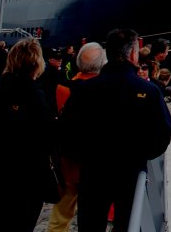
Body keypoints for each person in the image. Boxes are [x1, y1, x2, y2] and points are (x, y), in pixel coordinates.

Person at [60, 28, 171, 232]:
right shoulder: (149, 91)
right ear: (132, 54)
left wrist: (84, 156)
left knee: (90, 225)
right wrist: (141, 155)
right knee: (128, 223)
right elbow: (163, 133)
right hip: (131, 172)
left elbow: (66, 132)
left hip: (93, 172)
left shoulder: (84, 90)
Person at [0, 38, 56, 231]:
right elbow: (46, 138)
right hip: (29, 175)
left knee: (0, 223)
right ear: (37, 63)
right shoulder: (37, 94)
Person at [47, 42, 106, 232]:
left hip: (67, 160)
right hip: (95, 163)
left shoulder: (62, 88)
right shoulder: (105, 91)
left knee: (60, 215)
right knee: (94, 217)